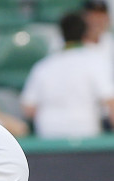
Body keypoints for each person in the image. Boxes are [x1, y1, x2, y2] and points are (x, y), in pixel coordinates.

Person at [21, 11, 114, 139]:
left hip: (48, 135)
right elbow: (110, 103)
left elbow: (29, 109)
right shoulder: (95, 61)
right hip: (86, 134)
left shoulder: (43, 66)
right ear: (85, 33)